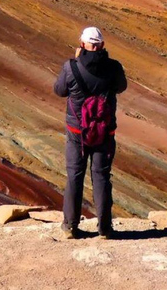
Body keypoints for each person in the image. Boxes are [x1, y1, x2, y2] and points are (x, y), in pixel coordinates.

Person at [54, 26, 127, 239]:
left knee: (75, 176)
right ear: (102, 45)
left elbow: (59, 90)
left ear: (82, 44)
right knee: (102, 176)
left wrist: (76, 61)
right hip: (105, 133)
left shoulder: (71, 67)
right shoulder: (113, 67)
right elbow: (121, 87)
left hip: (77, 132)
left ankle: (70, 226)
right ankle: (105, 228)